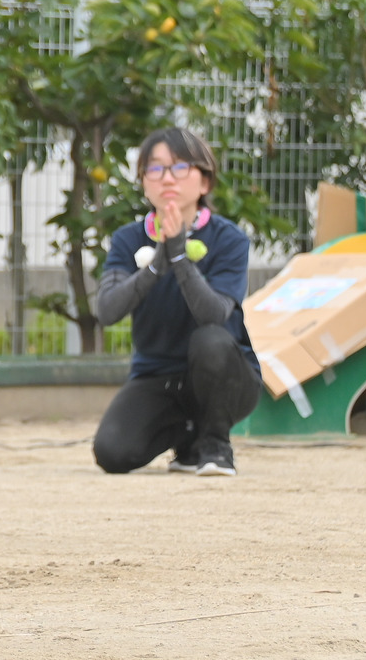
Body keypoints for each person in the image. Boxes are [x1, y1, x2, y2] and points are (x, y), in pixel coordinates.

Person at [92, 127, 262, 477]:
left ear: (204, 183)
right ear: (144, 182)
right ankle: (188, 442)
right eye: (155, 169)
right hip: (158, 377)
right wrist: (156, 263)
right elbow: (107, 311)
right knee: (112, 452)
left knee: (210, 340)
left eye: (180, 167)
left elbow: (213, 314)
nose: (166, 178)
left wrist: (180, 257)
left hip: (227, 377)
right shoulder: (128, 240)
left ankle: (215, 445)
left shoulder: (228, 239)